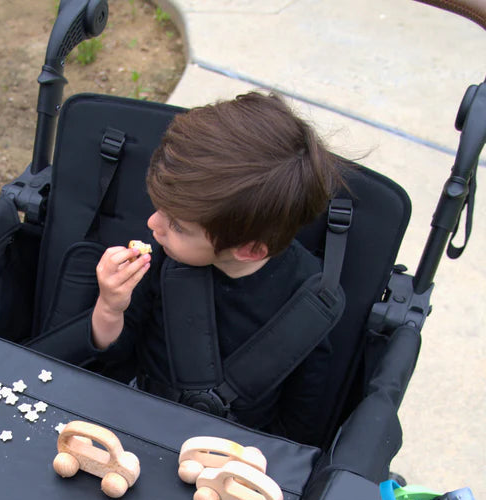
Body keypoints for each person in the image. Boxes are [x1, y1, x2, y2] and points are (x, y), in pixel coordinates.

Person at [36, 91, 346, 447]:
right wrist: (109, 306)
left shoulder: (310, 304)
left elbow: (301, 424)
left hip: (231, 455)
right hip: (133, 417)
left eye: (177, 225)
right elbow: (115, 359)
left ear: (249, 250)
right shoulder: (169, 255)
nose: (152, 223)